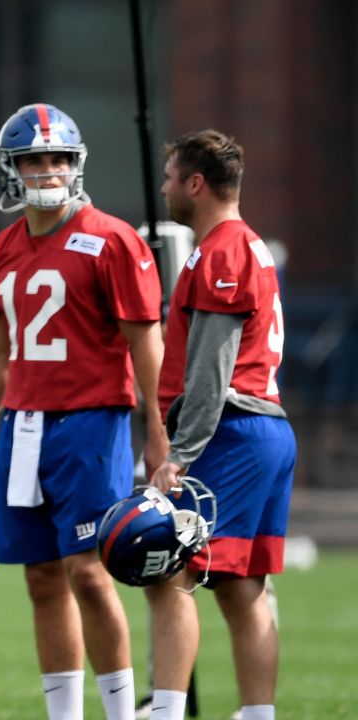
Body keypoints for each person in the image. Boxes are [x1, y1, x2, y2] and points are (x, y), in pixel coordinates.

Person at [0, 103, 167, 720]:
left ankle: (124, 714)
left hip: (92, 421)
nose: (47, 170)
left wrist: (156, 431)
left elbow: (144, 344)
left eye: (58, 159)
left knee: (90, 571)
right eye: (34, 160)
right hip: (23, 426)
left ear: (76, 166)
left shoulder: (113, 240)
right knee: (41, 578)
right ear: (11, 169)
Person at [144, 130, 295, 720]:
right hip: (267, 429)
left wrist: (177, 454)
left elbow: (211, 368)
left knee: (169, 571)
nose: (164, 187)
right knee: (241, 586)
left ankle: (166, 712)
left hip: (233, 430)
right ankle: (259, 716)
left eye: (171, 176)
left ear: (195, 184)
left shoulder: (223, 251)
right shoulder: (250, 244)